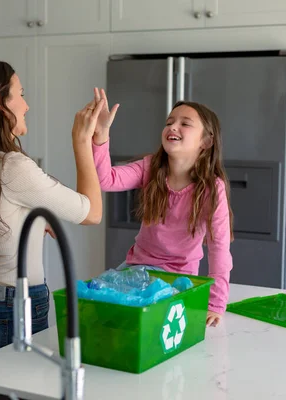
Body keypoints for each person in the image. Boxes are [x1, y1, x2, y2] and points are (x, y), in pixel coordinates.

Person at [0, 60, 105, 356]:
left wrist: (22, 225)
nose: (26, 106)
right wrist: (82, 142)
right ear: (0, 103)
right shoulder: (12, 166)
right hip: (15, 310)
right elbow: (92, 213)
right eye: (21, 94)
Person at [91, 88, 234, 327]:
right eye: (169, 122)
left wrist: (216, 305)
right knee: (101, 312)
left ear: (206, 141)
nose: (173, 127)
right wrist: (101, 135)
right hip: (135, 271)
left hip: (178, 281)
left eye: (185, 123)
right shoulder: (150, 168)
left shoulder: (212, 188)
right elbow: (106, 179)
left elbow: (219, 250)